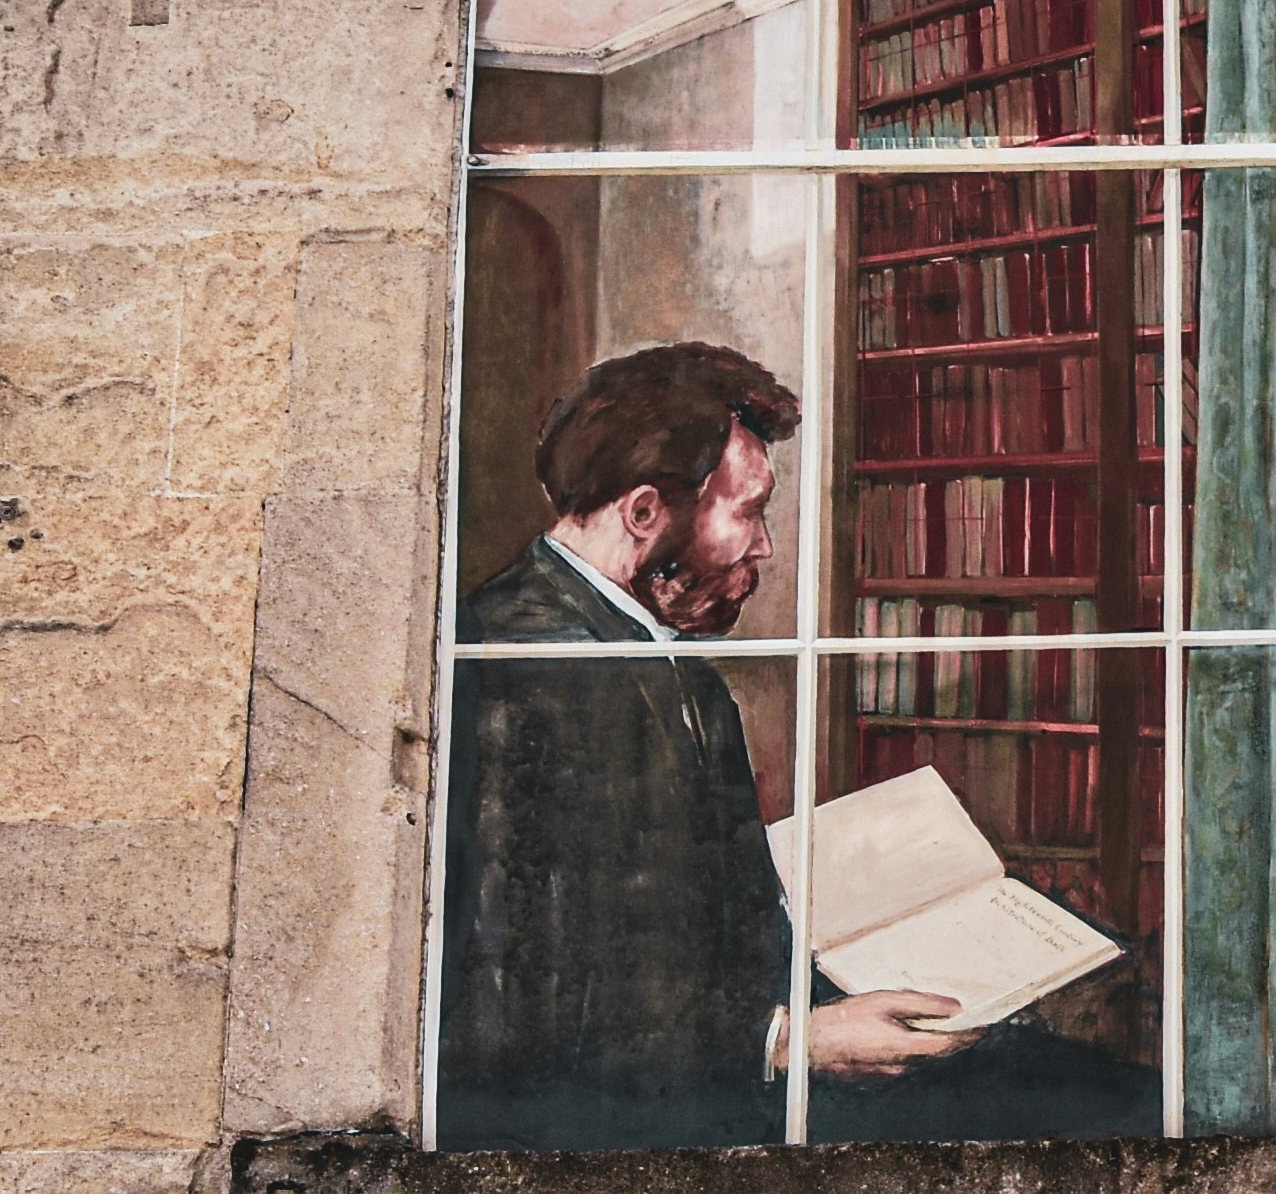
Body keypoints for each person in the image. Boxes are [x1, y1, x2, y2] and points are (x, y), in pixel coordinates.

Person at [433, 339, 1147, 1150]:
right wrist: (792, 1040)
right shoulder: (515, 672)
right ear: (642, 515)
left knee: (1106, 1093)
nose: (765, 546)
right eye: (748, 513)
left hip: (750, 1062)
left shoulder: (671, 667)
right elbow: (519, 1020)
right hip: (658, 1134)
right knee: (1110, 1115)